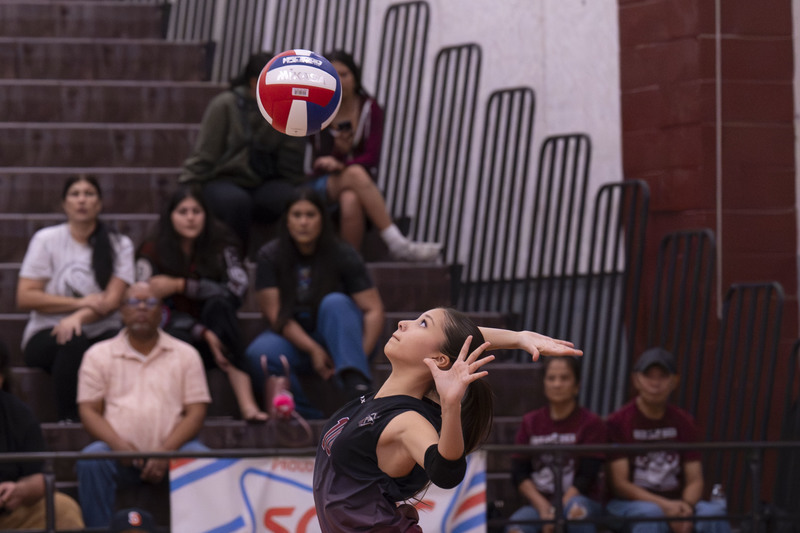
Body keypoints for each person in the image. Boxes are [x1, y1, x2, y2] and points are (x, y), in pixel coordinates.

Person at [312, 307, 584, 532]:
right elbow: (458, 340)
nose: (403, 323)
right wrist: (518, 338)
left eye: (422, 323)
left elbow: (446, 472)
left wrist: (451, 405)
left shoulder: (407, 421)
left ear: (439, 359)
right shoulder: (374, 402)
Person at [180, 51, 440, 261]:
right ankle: (234, 261)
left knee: (312, 198)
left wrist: (328, 148)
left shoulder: (299, 105)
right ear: (253, 83)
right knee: (236, 202)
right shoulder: (226, 105)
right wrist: (189, 186)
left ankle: (331, 264)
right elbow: (206, 153)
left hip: (273, 180)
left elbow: (293, 165)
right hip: (228, 177)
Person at [76, 281, 211, 528]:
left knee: (201, 456)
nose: (141, 307)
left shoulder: (186, 354)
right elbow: (88, 410)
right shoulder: (98, 354)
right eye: (133, 302)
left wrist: (166, 451)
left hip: (174, 452)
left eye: (149, 302)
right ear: (121, 310)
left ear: (162, 311)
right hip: (118, 454)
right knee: (92, 459)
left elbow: (196, 412)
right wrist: (119, 446)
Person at [244, 188, 384, 418]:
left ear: (322, 219)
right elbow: (276, 315)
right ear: (287, 220)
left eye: (310, 215)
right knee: (260, 354)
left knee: (335, 302)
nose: (303, 222)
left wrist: (356, 356)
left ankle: (357, 389)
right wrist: (313, 349)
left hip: (341, 338)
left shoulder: (342, 252)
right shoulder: (269, 255)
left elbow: (373, 309)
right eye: (297, 215)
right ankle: (307, 416)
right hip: (294, 340)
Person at [136, 184, 267, 422]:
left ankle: (247, 405)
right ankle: (179, 412)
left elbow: (237, 290)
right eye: (183, 212)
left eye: (196, 211)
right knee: (174, 333)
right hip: (176, 331)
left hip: (219, 329)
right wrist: (202, 332)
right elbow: (147, 305)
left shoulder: (223, 243)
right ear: (170, 216)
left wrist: (182, 286)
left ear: (206, 215)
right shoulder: (151, 250)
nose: (190, 218)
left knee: (220, 307)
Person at [16, 174, 135, 421]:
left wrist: (77, 317)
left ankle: (124, 420)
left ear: (99, 204)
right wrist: (80, 303)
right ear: (64, 204)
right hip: (47, 332)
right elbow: (25, 297)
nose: (82, 200)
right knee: (72, 340)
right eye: (75, 194)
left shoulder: (120, 244)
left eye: (89, 194)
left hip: (102, 329)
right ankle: (70, 421)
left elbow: (112, 301)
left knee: (120, 344)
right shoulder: (46, 240)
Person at [307, 50, 439, 261]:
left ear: (355, 77)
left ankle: (348, 265)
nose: (339, 81)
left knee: (351, 198)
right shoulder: (316, 108)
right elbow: (315, 160)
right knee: (355, 173)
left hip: (357, 181)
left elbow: (371, 157)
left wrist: (343, 161)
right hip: (322, 182)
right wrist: (337, 154)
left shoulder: (369, 108)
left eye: (344, 74)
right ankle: (396, 242)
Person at [605, 347, 731, 533]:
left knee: (713, 513)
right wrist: (666, 507)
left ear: (675, 381)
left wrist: (685, 507)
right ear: (635, 380)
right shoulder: (618, 422)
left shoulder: (684, 421)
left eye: (663, 376)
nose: (655, 383)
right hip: (629, 504)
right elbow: (620, 485)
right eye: (649, 376)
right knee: (651, 515)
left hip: (677, 501)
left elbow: (695, 479)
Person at [505, 357, 607, 533]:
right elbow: (519, 473)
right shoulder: (530, 421)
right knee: (516, 528)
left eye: (564, 378)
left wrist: (555, 512)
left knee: (577, 512)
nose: (557, 384)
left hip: (581, 500)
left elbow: (586, 477)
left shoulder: (591, 423)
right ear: (544, 384)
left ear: (577, 385)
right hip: (539, 504)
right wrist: (543, 507)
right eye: (551, 378)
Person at [0, 339, 85, 530]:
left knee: (64, 509)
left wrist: (19, 490)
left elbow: (40, 479)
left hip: (7, 511)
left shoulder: (18, 413)